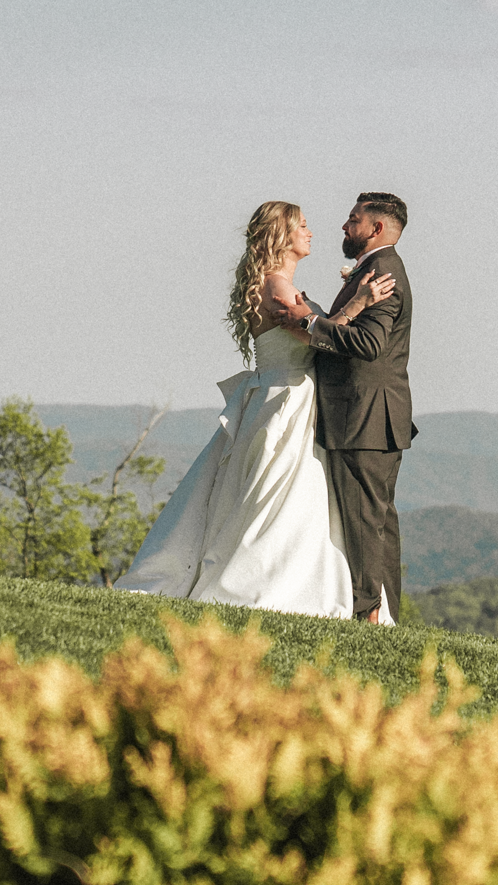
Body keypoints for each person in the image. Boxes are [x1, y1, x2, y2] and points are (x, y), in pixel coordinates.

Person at [117, 201, 394, 616]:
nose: (311, 232)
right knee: (272, 498)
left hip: (289, 395)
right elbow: (314, 338)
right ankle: (263, 582)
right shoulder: (278, 288)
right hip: (285, 400)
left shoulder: (278, 285)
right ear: (282, 236)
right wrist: (359, 303)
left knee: (284, 498)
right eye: (302, 226)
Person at [275, 192, 416, 626]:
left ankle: (367, 612)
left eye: (352, 220)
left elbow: (369, 346)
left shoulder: (384, 273)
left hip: (364, 416)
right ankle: (383, 613)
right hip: (372, 416)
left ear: (375, 229)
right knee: (376, 522)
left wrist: (311, 323)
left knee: (363, 520)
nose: (343, 226)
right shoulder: (375, 270)